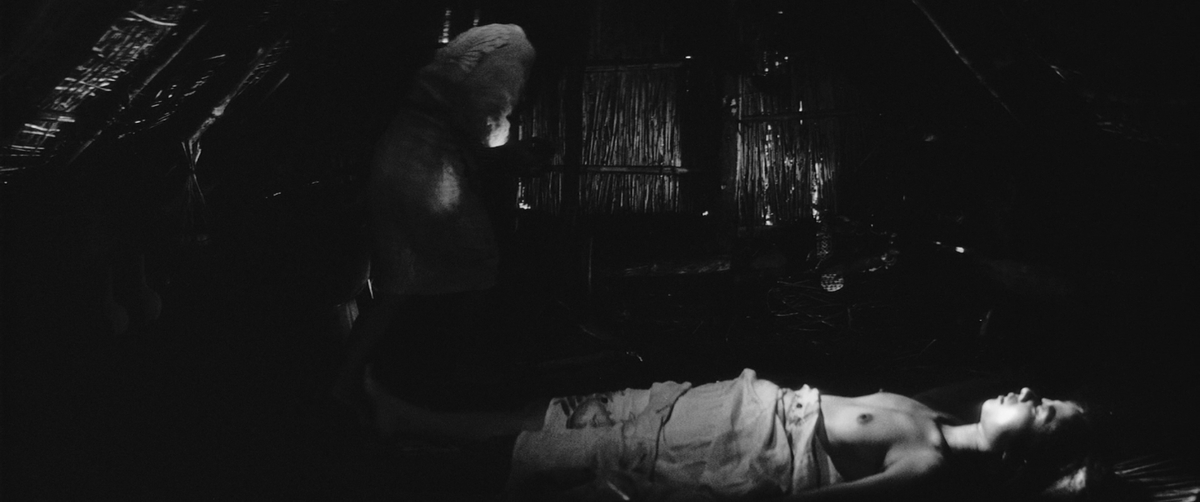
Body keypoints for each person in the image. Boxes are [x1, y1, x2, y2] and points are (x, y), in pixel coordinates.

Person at [364, 368, 1089, 501]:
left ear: (1027, 450)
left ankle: (411, 468)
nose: (1032, 395)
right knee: (567, 414)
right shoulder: (931, 410)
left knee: (566, 453)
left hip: (727, 451)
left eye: (1047, 411)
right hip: (729, 409)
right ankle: (418, 426)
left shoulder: (927, 463)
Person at [330, 24, 538, 410]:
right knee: (478, 263)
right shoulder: (516, 48)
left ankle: (344, 383)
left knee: (397, 284)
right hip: (428, 165)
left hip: (395, 152)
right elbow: (484, 118)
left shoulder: (485, 37)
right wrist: (512, 153)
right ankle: (457, 373)